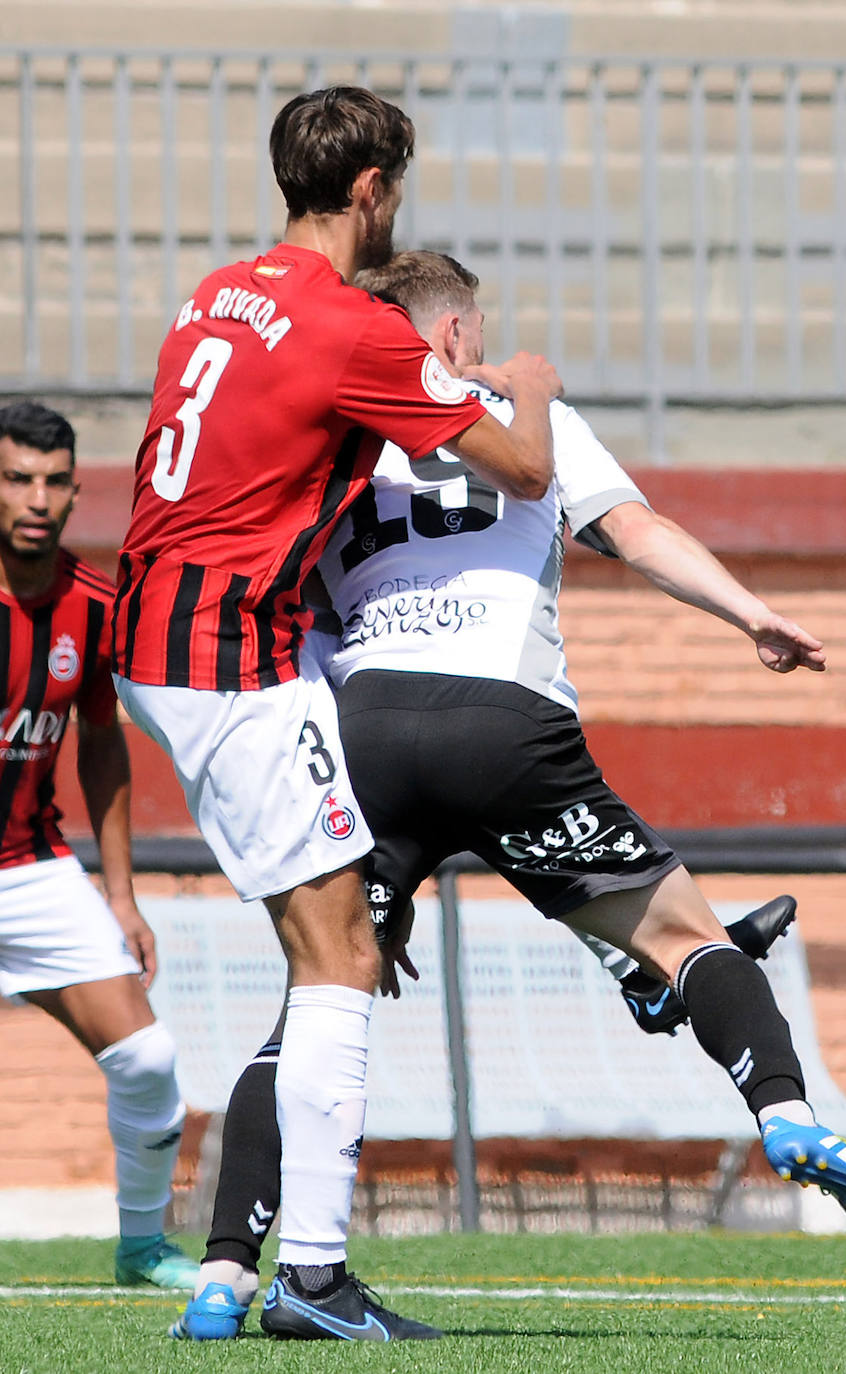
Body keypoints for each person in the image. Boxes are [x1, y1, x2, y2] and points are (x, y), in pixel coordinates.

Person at [170, 251, 846, 1342]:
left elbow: (301, 621)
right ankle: (787, 1113)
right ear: (459, 333)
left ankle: (227, 1276)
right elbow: (636, 532)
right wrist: (747, 612)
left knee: (316, 1003)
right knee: (683, 935)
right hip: (508, 726)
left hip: (365, 732)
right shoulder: (519, 412)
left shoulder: (333, 440)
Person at [110, 89, 560, 1343]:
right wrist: (519, 387)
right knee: (341, 956)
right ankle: (307, 1274)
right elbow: (522, 469)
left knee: (335, 934)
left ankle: (254, 1268)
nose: (396, 203)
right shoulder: (356, 327)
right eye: (397, 185)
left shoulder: (216, 293)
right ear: (371, 188)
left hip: (167, 626)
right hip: (228, 657)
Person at [0, 401, 199, 1289]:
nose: (35, 499)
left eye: (51, 482)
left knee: (149, 1061)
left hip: (35, 870)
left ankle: (143, 1247)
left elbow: (103, 742)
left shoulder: (92, 603)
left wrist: (120, 896)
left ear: (76, 491)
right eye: (16, 480)